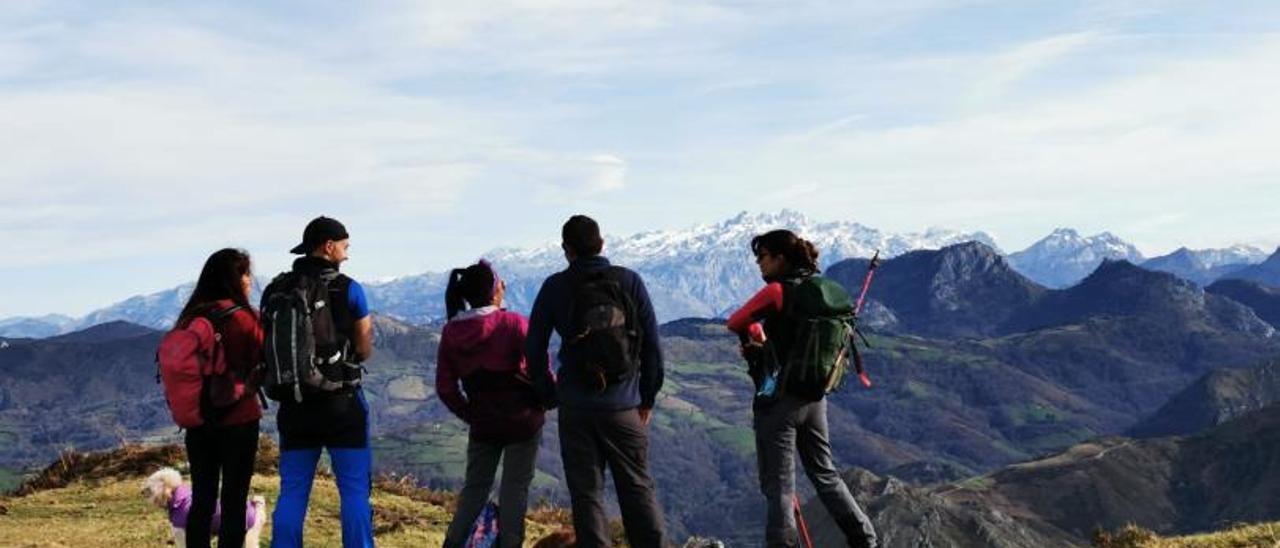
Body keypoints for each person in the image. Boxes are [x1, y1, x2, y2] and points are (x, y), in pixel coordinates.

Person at [726, 229, 878, 548]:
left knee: (779, 487)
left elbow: (736, 321)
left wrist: (758, 338)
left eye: (762, 257)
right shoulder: (819, 289)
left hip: (779, 400)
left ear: (780, 258)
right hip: (815, 396)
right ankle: (865, 539)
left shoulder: (778, 291)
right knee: (825, 473)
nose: (758, 264)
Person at [525, 215, 667, 548]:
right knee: (637, 489)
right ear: (602, 243)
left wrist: (550, 394)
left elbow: (533, 348)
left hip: (576, 408)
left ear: (567, 250)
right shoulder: (629, 281)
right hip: (624, 407)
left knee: (587, 495)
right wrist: (647, 398)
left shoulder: (554, 287)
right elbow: (653, 348)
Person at [268, 216, 375, 548]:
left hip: (295, 403)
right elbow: (364, 349)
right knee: (354, 490)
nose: (347, 253)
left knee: (293, 491)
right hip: (342, 404)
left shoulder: (277, 289)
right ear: (328, 247)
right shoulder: (349, 289)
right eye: (344, 246)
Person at [438, 260, 553, 548]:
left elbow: (445, 387)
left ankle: (454, 543)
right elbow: (539, 368)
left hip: (484, 423)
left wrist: (470, 414)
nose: (503, 286)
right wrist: (549, 398)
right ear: (493, 291)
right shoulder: (513, 323)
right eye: (500, 282)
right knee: (515, 491)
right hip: (523, 420)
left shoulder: (452, 332)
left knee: (475, 488)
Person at [173, 248, 264, 548]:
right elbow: (263, 361)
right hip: (240, 419)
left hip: (198, 421)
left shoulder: (190, 319)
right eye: (246, 274)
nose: (250, 280)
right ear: (234, 279)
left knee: (203, 498)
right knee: (234, 500)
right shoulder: (247, 319)